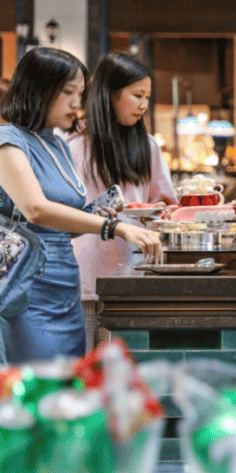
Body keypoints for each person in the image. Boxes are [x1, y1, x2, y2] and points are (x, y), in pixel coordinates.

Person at [0, 48, 162, 362]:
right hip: (27, 290)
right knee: (38, 386)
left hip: (66, 287)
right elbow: (36, 210)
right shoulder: (8, 140)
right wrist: (113, 227)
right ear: (38, 90)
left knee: (70, 386)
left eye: (82, 93)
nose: (78, 102)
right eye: (68, 92)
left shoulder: (58, 143)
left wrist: (92, 215)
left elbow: (59, 225)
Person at [68, 52, 177, 350]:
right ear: (110, 95)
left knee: (119, 375)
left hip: (131, 274)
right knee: (80, 372)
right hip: (82, 277)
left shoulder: (148, 146)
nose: (144, 104)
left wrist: (163, 213)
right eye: (137, 95)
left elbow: (165, 202)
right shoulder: (75, 145)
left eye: (147, 96)